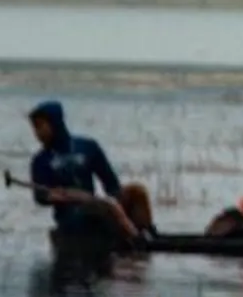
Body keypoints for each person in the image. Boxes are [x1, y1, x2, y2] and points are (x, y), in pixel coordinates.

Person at [25, 99, 152, 244]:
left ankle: (146, 233)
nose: (37, 133)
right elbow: (39, 197)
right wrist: (56, 196)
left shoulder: (88, 147)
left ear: (55, 123)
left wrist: (119, 203)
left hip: (95, 204)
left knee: (138, 192)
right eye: (34, 128)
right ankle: (136, 239)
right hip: (72, 216)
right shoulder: (40, 160)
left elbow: (111, 184)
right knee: (105, 206)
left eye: (40, 126)